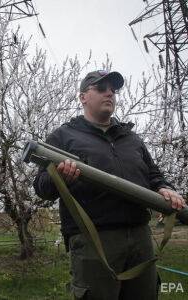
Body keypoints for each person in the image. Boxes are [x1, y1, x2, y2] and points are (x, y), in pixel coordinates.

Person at [33, 70, 186, 300]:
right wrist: (61, 176)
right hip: (94, 240)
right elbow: (41, 187)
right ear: (83, 97)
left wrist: (164, 187)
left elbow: (154, 175)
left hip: (140, 237)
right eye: (101, 88)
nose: (109, 94)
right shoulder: (64, 136)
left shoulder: (131, 138)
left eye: (113, 90)